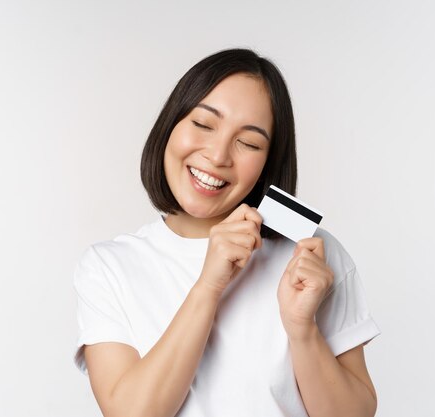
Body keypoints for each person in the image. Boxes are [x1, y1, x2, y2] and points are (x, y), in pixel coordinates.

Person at [73, 48, 381, 417]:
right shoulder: (108, 266)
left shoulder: (312, 255)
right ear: (171, 125)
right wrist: (208, 287)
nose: (218, 155)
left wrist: (302, 329)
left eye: (248, 142)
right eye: (203, 124)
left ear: (269, 161)